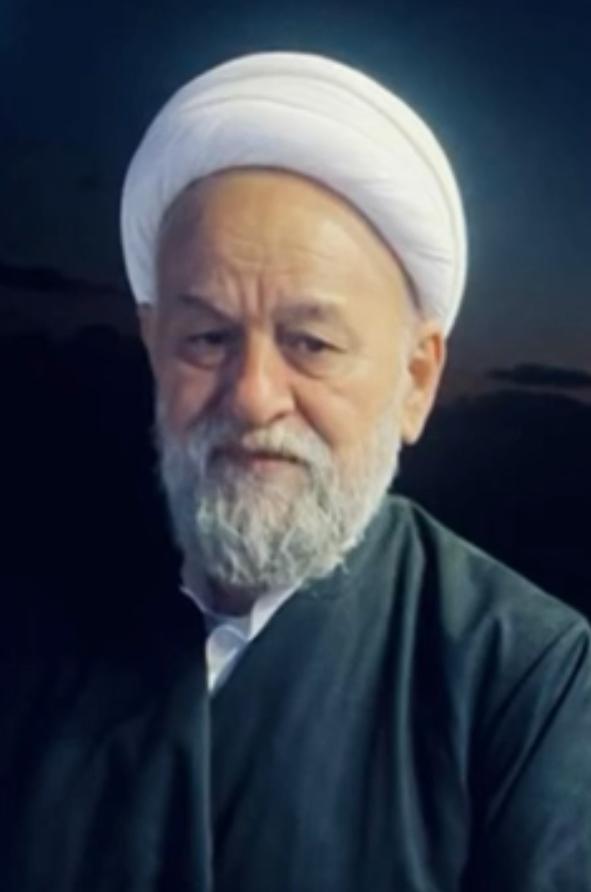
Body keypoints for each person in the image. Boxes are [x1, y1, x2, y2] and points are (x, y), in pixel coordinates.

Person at [2, 51, 590, 892]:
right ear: (154, 349)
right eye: (207, 338)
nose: (252, 396)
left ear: (415, 381)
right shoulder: (31, 622)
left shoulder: (531, 680)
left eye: (310, 343)